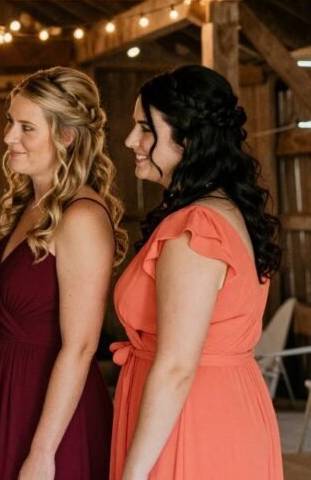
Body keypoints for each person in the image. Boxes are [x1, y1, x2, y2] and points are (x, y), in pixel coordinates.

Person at [111, 65, 283, 480]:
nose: (131, 140)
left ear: (187, 138)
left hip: (190, 418)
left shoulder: (196, 229)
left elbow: (175, 366)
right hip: (216, 405)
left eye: (145, 128)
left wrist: (132, 475)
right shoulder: (224, 210)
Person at [0, 67, 125, 480]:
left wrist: (43, 452)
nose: (9, 136)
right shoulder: (28, 206)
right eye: (11, 121)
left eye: (27, 127)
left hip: (56, 415)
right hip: (9, 390)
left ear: (66, 137)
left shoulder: (81, 216)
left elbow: (81, 346)